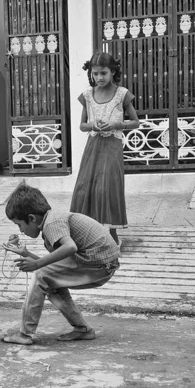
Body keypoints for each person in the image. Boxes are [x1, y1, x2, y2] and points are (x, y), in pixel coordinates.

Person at [1, 183, 120, 345]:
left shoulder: (52, 223)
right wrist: (26, 254)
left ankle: (25, 334)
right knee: (49, 281)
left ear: (31, 218)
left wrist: (36, 266)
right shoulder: (52, 221)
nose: (21, 231)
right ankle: (83, 329)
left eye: (19, 225)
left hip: (99, 263)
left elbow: (70, 248)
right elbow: (57, 266)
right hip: (100, 263)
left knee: (41, 275)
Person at [70, 52, 140, 246]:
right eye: (95, 74)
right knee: (85, 189)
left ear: (113, 71)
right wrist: (94, 125)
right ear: (90, 74)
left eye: (103, 73)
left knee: (107, 189)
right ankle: (86, 233)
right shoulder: (87, 95)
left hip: (112, 147)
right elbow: (82, 126)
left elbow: (136, 123)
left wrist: (116, 125)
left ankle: (112, 236)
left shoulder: (122, 94)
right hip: (93, 146)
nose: (99, 78)